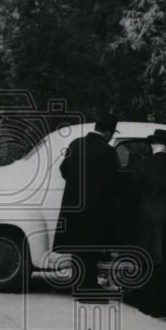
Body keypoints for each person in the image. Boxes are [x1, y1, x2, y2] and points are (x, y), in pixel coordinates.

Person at [52, 111, 121, 291]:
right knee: (91, 249)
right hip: (95, 209)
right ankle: (87, 288)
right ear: (108, 133)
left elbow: (64, 170)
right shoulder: (107, 151)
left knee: (78, 249)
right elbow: (112, 182)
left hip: (74, 206)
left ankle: (79, 285)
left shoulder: (75, 144)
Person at [125, 128, 166, 315]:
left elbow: (132, 195)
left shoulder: (141, 165)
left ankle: (149, 304)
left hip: (146, 219)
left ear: (152, 145)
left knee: (149, 263)